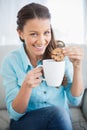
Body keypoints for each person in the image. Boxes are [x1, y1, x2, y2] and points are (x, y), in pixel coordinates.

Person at [0, 2, 84, 130]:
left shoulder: (60, 56)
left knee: (59, 114)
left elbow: (75, 101)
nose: (41, 41)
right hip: (26, 123)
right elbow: (15, 114)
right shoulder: (11, 61)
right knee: (58, 113)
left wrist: (77, 67)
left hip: (59, 122)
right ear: (21, 33)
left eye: (46, 32)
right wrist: (26, 86)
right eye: (34, 34)